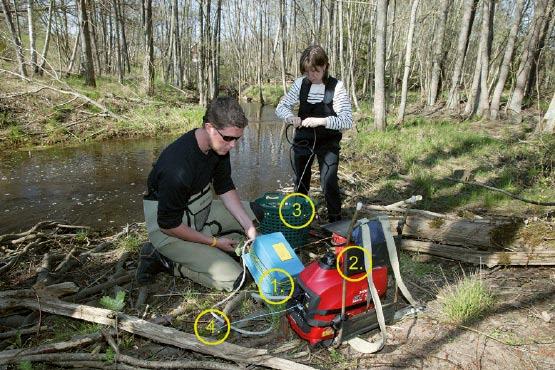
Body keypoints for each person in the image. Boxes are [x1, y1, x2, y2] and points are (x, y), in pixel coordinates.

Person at [137, 96, 262, 291]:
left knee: (255, 212)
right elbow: (168, 225)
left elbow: (225, 187)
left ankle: (213, 238)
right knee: (236, 279)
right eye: (228, 138)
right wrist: (214, 243)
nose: (233, 145)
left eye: (237, 139)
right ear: (209, 127)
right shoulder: (177, 167)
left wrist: (249, 227)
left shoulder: (218, 146)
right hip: (170, 230)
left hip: (201, 211)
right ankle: (161, 258)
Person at [275, 45, 353, 223]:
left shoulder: (337, 87)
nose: (311, 75)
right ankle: (300, 220)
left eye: (315, 71)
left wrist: (322, 121)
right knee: (300, 182)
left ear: (325, 65)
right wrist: (290, 117)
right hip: (302, 141)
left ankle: (336, 222)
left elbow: (347, 121)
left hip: (328, 143)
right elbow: (281, 107)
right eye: (307, 71)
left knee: (328, 183)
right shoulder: (300, 84)